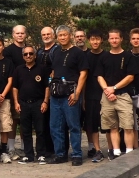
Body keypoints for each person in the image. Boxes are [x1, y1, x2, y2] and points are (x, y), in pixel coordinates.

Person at [47, 25, 88, 166]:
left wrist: (76, 93)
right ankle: (60, 154)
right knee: (55, 126)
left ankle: (76, 154)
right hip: (56, 95)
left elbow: (83, 74)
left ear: (70, 35)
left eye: (65, 35)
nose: (63, 38)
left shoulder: (78, 52)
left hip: (71, 94)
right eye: (60, 35)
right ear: (57, 37)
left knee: (74, 126)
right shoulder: (56, 51)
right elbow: (53, 71)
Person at [96, 29, 138, 160]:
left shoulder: (128, 56)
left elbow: (130, 77)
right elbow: (99, 76)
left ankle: (130, 152)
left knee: (128, 126)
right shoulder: (103, 57)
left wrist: (114, 88)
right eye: (111, 38)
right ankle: (116, 152)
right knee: (112, 127)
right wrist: (107, 91)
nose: (114, 40)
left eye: (116, 38)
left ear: (121, 39)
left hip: (123, 95)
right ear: (108, 40)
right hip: (107, 97)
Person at [12, 45, 50, 165]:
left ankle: (41, 154)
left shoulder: (42, 68)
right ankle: (28, 155)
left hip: (38, 103)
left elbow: (47, 87)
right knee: (26, 131)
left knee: (40, 130)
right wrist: (16, 102)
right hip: (23, 103)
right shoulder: (18, 69)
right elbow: (15, 88)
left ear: (35, 55)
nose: (28, 56)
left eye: (30, 53)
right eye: (25, 54)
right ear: (23, 56)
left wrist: (45, 101)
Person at [3, 25, 27, 160]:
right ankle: (11, 148)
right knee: (13, 121)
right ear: (13, 35)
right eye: (17, 33)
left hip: (28, 90)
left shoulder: (29, 50)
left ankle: (25, 147)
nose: (20, 35)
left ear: (25, 35)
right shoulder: (8, 51)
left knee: (25, 120)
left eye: (22, 33)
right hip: (13, 90)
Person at [37, 26, 59, 157]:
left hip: (55, 89)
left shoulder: (57, 50)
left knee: (55, 122)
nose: (46, 36)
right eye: (44, 35)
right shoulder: (39, 51)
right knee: (43, 122)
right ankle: (45, 149)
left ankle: (56, 149)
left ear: (53, 35)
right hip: (41, 89)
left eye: (48, 34)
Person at [83, 29, 105, 162]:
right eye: (92, 39)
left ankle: (113, 149)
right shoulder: (85, 57)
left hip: (106, 94)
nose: (95, 42)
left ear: (102, 40)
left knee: (108, 124)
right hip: (91, 94)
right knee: (91, 124)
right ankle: (97, 150)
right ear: (89, 40)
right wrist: (84, 97)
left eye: (97, 39)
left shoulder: (107, 55)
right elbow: (83, 78)